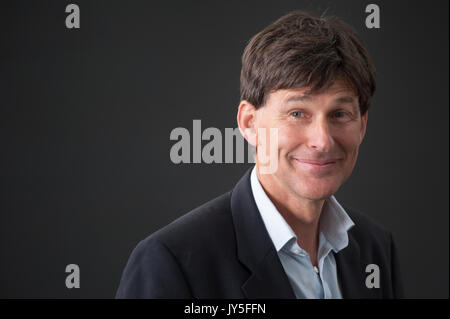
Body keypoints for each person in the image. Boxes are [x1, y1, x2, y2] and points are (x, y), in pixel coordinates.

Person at [116, 11, 404, 299]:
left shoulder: (375, 250)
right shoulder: (172, 264)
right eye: (297, 113)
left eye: (340, 114)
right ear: (249, 123)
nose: (322, 140)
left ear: (362, 125)